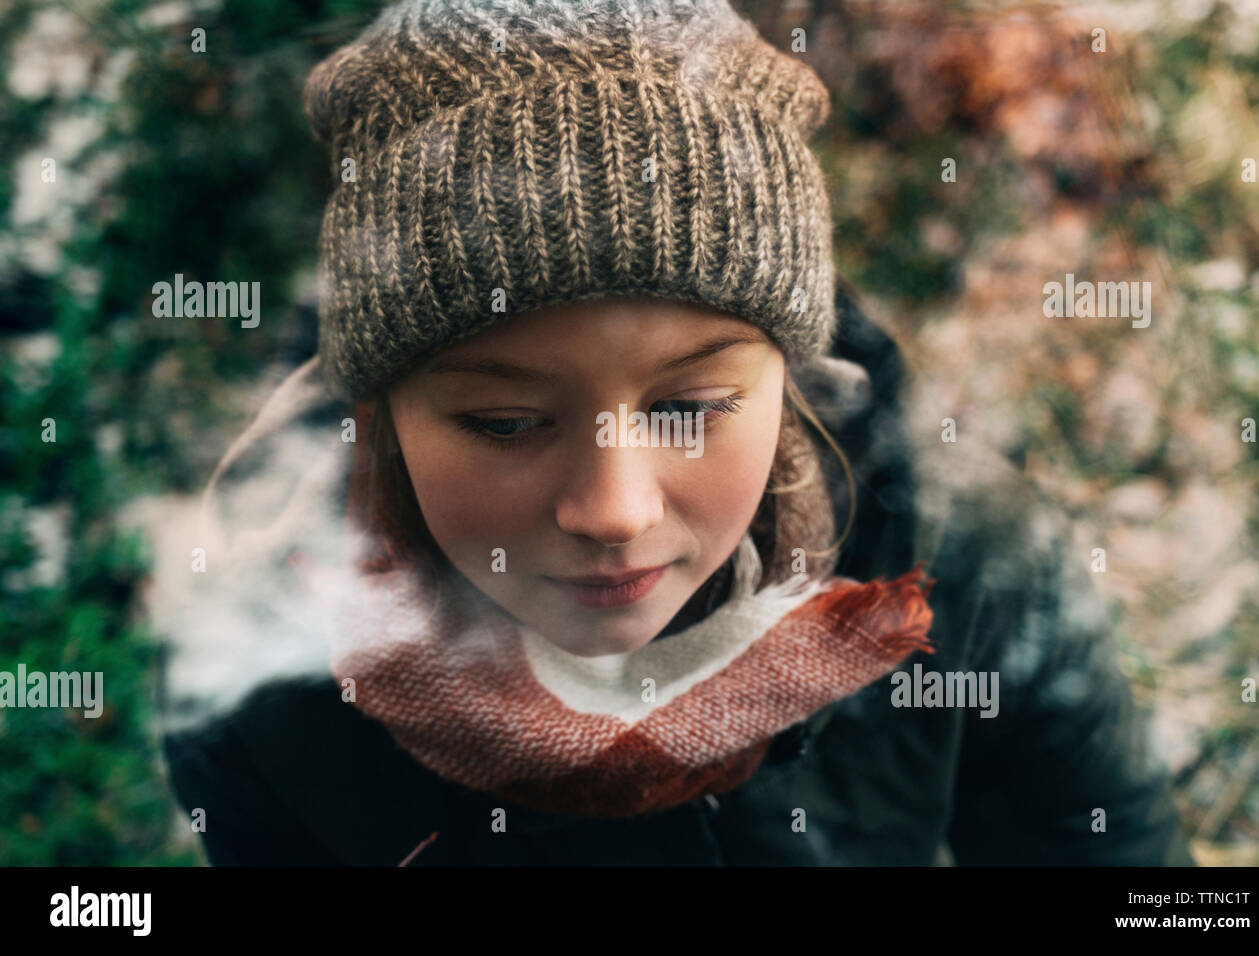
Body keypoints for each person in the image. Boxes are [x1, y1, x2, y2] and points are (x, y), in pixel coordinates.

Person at [158, 0, 1196, 866]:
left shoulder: (962, 563)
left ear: (789, 373)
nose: (613, 509)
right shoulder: (257, 694)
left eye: (689, 408)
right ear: (380, 408)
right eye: (505, 420)